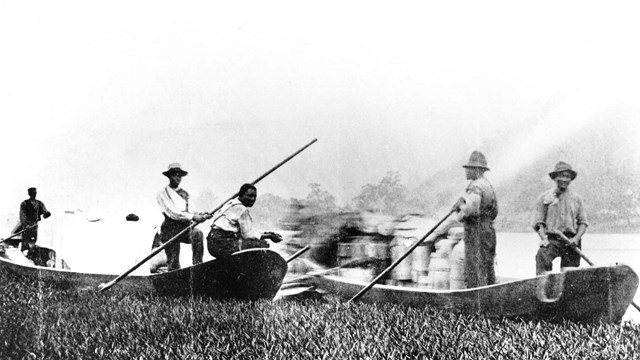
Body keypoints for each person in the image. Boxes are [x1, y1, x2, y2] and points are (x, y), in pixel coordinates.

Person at [451, 151, 498, 288]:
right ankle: (489, 299)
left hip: (477, 232)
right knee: (487, 267)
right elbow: (494, 212)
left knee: (475, 268)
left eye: (469, 168)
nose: (466, 171)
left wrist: (460, 207)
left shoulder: (476, 186)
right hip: (488, 231)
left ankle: (475, 302)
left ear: (476, 170)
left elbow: (471, 210)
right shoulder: (487, 185)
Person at [533, 161, 588, 275]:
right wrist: (544, 238)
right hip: (553, 240)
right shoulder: (544, 197)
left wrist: (576, 238)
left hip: (571, 241)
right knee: (542, 256)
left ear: (571, 179)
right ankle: (543, 289)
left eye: (567, 176)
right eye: (561, 175)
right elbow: (539, 223)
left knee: (570, 276)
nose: (564, 179)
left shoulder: (577, 199)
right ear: (555, 178)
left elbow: (583, 222)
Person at [156, 163, 211, 271]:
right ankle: (173, 275)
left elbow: (192, 210)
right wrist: (193, 217)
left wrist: (202, 214)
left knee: (197, 233)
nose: (178, 178)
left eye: (179, 175)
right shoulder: (162, 194)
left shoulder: (184, 194)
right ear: (169, 177)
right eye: (175, 175)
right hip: (170, 229)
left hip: (184, 228)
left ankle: (197, 266)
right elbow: (173, 212)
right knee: (174, 263)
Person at [207, 183, 282, 259]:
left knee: (245, 241)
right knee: (263, 244)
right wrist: (269, 236)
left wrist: (266, 234)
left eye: (254, 197)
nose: (252, 199)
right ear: (241, 195)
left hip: (212, 244)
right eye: (249, 196)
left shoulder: (230, 204)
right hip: (223, 245)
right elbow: (248, 234)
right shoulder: (241, 209)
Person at [18, 187, 52, 253]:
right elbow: (22, 216)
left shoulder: (39, 203)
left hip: (36, 226)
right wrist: (26, 225)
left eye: (35, 193)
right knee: (26, 241)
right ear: (29, 194)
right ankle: (24, 254)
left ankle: (34, 254)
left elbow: (45, 212)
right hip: (27, 226)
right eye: (32, 193)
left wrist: (47, 214)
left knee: (36, 241)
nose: (34, 194)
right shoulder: (24, 203)